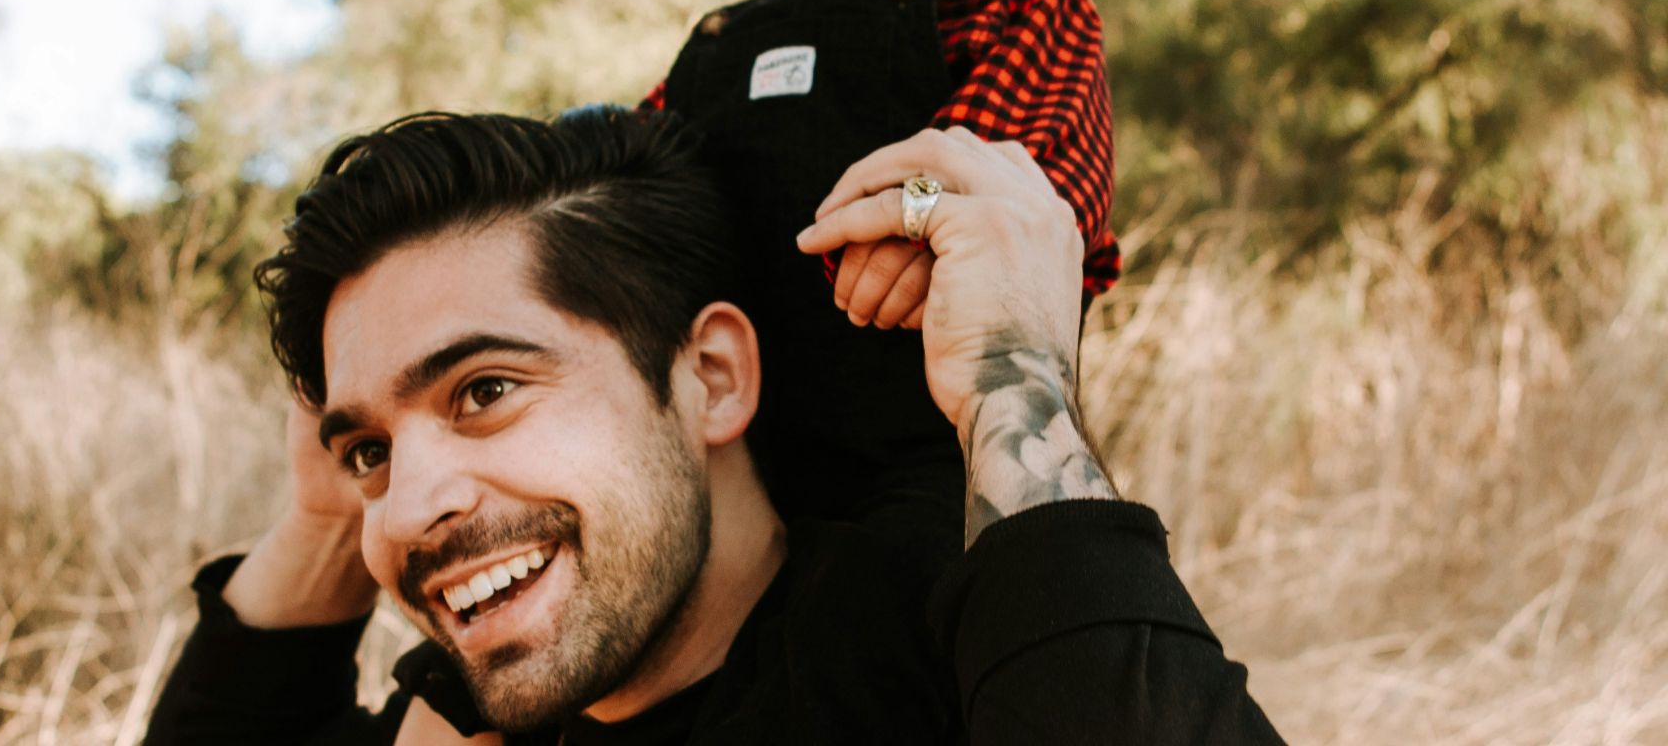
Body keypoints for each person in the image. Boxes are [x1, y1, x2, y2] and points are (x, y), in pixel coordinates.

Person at [145, 108, 1281, 744]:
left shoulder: (937, 657)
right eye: (372, 450)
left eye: (483, 390)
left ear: (713, 378)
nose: (409, 507)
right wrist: (322, 516)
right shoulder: (455, 724)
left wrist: (1011, 379)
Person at [638, 0, 1119, 558]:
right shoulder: (717, 50)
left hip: (941, 473)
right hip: (730, 490)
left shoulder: (1020, 6)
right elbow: (628, 196)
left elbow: (1029, 174)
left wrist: (915, 221)